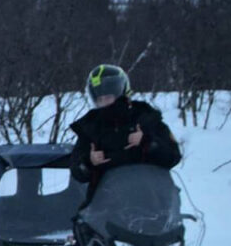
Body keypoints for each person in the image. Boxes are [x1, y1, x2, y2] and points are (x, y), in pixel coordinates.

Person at [69, 64, 181, 197]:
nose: (105, 103)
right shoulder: (90, 128)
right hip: (107, 203)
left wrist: (147, 142)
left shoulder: (146, 119)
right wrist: (89, 161)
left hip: (152, 200)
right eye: (100, 99)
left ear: (120, 94)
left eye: (108, 97)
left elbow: (173, 156)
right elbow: (77, 170)